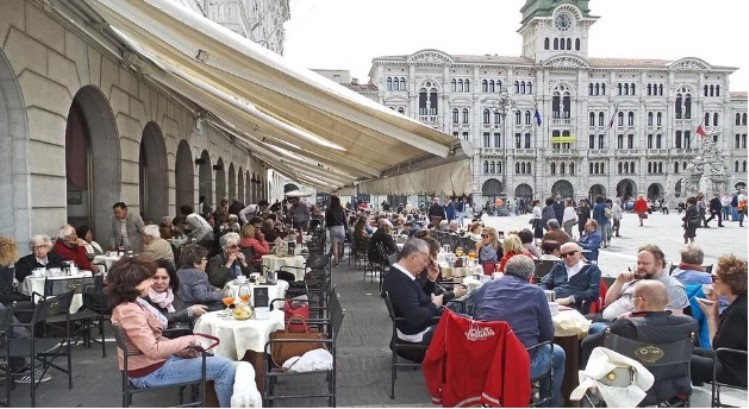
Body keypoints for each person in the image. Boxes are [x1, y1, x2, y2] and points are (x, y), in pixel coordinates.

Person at [108, 256, 236, 407]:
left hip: (151, 366)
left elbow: (153, 340)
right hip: (150, 372)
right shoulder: (130, 311)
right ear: (134, 284)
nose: (152, 283)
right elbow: (153, 349)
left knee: (220, 362)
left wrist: (181, 350)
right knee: (225, 367)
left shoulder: (129, 305)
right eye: (148, 279)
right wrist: (189, 340)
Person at [580, 281, 698, 405]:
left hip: (628, 390)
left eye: (633, 299)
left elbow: (587, 343)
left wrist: (618, 320)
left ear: (641, 301)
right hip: (671, 388)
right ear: (667, 301)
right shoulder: (688, 324)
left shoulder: (626, 327)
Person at [473, 255, 565, 407]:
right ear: (530, 277)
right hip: (518, 366)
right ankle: (549, 405)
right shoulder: (537, 292)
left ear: (505, 270)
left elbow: (477, 318)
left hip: (485, 362)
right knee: (558, 353)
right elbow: (548, 336)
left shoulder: (486, 287)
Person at [381, 238, 444, 363]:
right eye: (425, 260)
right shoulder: (400, 282)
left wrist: (431, 280)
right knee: (463, 329)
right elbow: (416, 317)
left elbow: (420, 298)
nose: (426, 265)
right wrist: (435, 305)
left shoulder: (402, 275)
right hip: (416, 339)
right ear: (413, 258)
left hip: (414, 331)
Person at [691, 255, 747, 387]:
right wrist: (715, 312)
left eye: (715, 278)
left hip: (737, 371)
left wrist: (711, 316)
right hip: (736, 362)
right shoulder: (740, 304)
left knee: (681, 359)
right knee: (685, 350)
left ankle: (681, 393)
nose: (712, 282)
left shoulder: (737, 311)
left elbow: (717, 347)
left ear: (728, 282)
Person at [597, 244, 689, 325]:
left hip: (631, 328)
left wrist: (629, 317)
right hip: (606, 319)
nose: (640, 266)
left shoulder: (672, 286)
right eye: (638, 263)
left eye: (645, 263)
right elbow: (608, 303)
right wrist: (619, 281)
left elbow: (674, 320)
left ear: (659, 264)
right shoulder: (635, 278)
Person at [540, 242, 601, 313]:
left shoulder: (591, 269)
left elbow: (594, 292)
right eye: (564, 255)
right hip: (552, 304)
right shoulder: (559, 266)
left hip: (574, 306)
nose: (568, 257)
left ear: (579, 253)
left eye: (571, 253)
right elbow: (545, 283)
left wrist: (570, 299)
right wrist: (545, 294)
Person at [145, 259, 207, 328]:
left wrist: (196, 314)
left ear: (170, 279)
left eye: (164, 278)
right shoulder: (144, 297)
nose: (160, 282)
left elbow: (182, 315)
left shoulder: (172, 294)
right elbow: (160, 318)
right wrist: (189, 311)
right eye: (155, 278)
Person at [417, 236, 467, 304]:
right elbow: (434, 297)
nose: (435, 259)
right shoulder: (420, 273)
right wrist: (454, 293)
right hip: (445, 305)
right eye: (434, 255)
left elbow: (435, 290)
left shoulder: (426, 271)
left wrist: (454, 290)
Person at [175, 244, 223, 308]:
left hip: (182, 308)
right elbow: (201, 296)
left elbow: (196, 285)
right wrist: (222, 294)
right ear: (196, 263)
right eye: (204, 259)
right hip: (197, 309)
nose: (206, 262)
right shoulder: (200, 274)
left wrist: (214, 289)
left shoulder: (179, 272)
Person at [325, 195, 347, 265]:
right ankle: (339, 259)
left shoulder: (329, 210)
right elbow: (345, 219)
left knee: (335, 246)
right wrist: (346, 228)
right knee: (340, 245)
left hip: (333, 228)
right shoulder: (341, 209)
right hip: (341, 228)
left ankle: (336, 261)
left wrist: (329, 227)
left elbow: (327, 220)